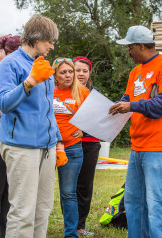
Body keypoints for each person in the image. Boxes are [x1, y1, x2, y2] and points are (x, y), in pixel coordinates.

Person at [109, 25, 162, 238]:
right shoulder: (135, 71)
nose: (128, 52)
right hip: (138, 146)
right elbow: (128, 98)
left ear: (141, 46)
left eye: (130, 47)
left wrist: (131, 106)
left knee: (157, 203)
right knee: (133, 201)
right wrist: (117, 104)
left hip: (161, 148)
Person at [0, 15, 62, 238]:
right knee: (22, 212)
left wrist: (58, 141)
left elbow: (47, 108)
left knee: (43, 210)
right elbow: (4, 104)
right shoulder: (9, 63)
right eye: (49, 41)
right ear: (35, 38)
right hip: (21, 147)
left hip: (47, 147)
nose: (52, 46)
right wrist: (31, 80)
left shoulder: (42, 64)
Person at [52, 58, 90, 238]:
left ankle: (70, 235)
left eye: (70, 72)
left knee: (68, 193)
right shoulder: (47, 90)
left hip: (72, 149)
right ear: (55, 75)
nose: (68, 76)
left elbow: (98, 115)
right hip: (47, 148)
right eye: (63, 72)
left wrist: (84, 129)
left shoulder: (82, 91)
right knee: (38, 191)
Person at [0, 35, 21, 238]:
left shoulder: (16, 70)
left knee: (9, 194)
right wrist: (8, 106)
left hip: (12, 137)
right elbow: (5, 103)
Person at [73, 57, 101, 236]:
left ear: (89, 72)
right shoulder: (63, 90)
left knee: (84, 186)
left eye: (85, 71)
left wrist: (85, 132)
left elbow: (100, 122)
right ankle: (70, 224)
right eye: (78, 70)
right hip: (68, 144)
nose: (81, 74)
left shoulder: (95, 94)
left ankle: (80, 226)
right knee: (69, 187)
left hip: (90, 144)